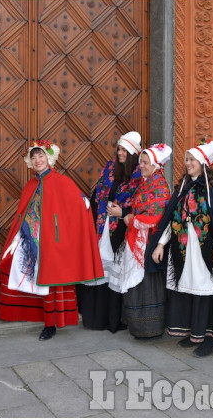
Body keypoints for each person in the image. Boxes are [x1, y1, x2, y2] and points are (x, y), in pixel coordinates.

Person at [0, 140, 104, 340]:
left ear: (48, 158)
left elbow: (81, 205)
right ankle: (24, 313)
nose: (37, 160)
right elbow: (23, 214)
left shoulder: (62, 181)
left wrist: (62, 229)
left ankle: (50, 325)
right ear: (29, 161)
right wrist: (16, 239)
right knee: (11, 267)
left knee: (50, 283)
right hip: (29, 238)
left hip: (51, 242)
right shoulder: (31, 185)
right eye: (34, 157)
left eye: (41, 156)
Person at [148, 140, 213, 357]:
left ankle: (211, 338)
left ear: (204, 163)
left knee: (210, 291)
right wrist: (161, 244)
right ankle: (196, 333)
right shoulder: (183, 187)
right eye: (186, 159)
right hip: (187, 249)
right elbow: (171, 219)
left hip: (208, 250)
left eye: (192, 159)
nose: (188, 163)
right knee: (194, 291)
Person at [77, 132, 142, 332]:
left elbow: (141, 206)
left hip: (120, 231)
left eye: (124, 150)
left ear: (133, 153)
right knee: (98, 271)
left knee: (113, 275)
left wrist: (122, 211)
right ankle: (93, 318)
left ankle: (112, 320)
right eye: (119, 149)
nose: (120, 153)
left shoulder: (139, 175)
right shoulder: (109, 168)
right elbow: (98, 192)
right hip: (102, 226)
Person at [117, 144, 172, 338]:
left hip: (149, 243)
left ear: (156, 165)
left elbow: (157, 217)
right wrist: (132, 217)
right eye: (141, 161)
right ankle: (137, 326)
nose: (141, 165)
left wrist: (132, 219)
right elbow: (140, 210)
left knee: (148, 284)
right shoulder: (144, 183)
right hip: (137, 239)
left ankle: (151, 327)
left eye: (146, 162)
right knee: (137, 285)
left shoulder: (160, 187)